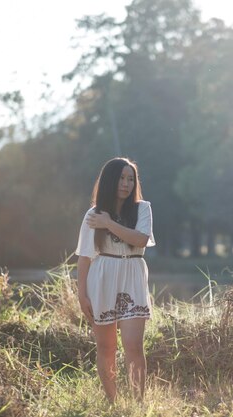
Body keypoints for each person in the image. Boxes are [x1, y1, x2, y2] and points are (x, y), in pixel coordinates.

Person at [75, 157, 155, 402]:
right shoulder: (93, 214)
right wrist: (81, 295)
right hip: (102, 280)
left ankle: (137, 405)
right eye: (121, 178)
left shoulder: (143, 208)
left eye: (131, 179)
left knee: (133, 346)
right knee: (106, 347)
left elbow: (141, 240)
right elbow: (85, 257)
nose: (126, 183)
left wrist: (108, 223)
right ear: (110, 180)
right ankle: (113, 403)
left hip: (132, 276)